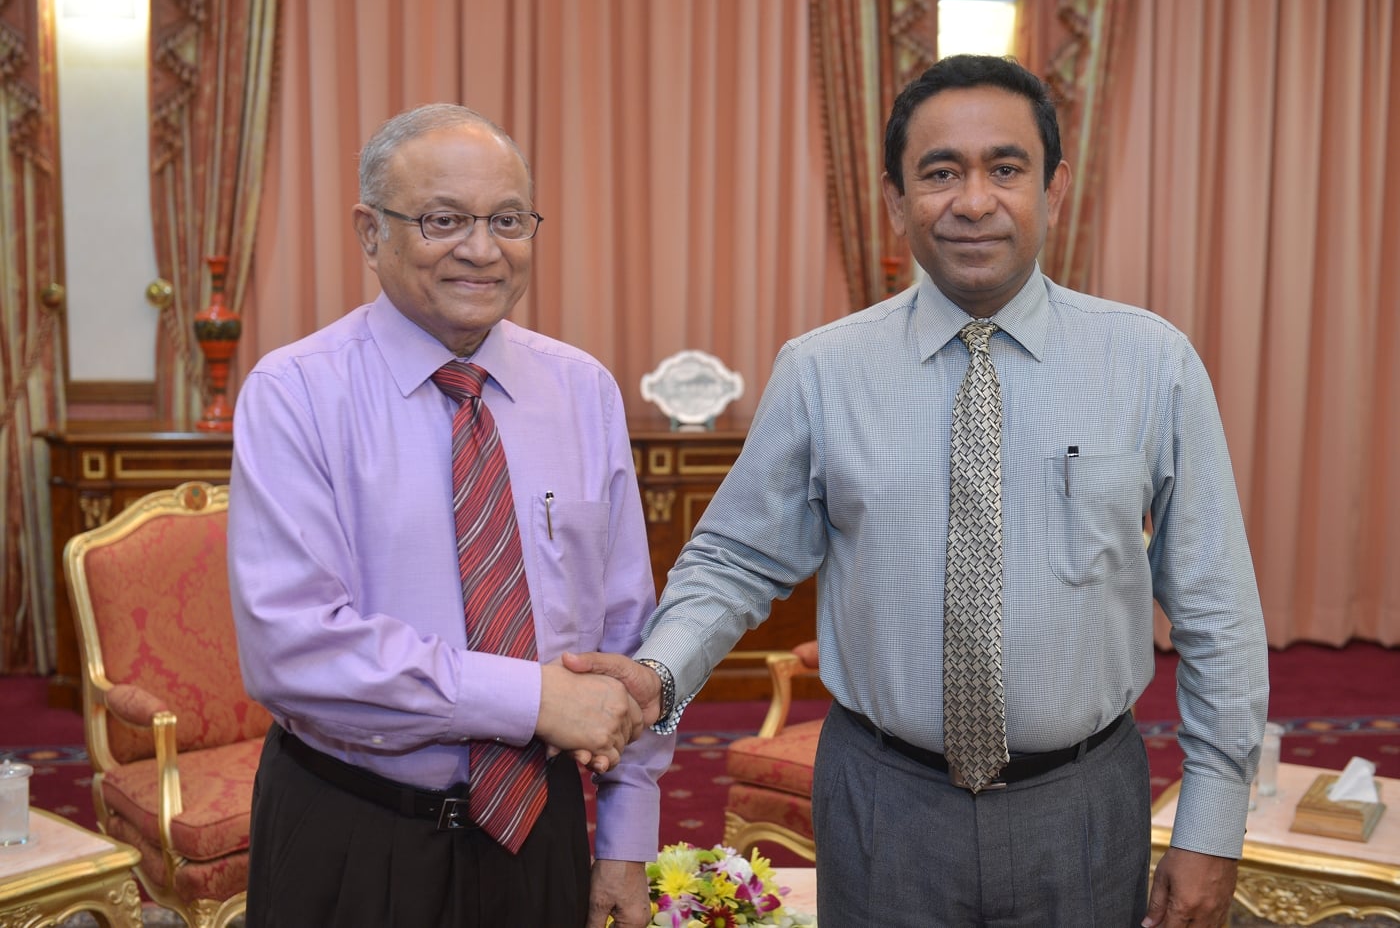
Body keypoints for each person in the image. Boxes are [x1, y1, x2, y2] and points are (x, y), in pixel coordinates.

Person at [569, 54, 1268, 927]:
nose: (973, 202)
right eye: (940, 174)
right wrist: (659, 672)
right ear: (896, 202)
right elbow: (733, 560)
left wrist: (1213, 826)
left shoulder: (1152, 363)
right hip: (883, 807)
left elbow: (1216, 609)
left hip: (1083, 809)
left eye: (1004, 169)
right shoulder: (822, 370)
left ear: (1053, 189)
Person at [227, 103, 673, 927]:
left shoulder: (583, 391)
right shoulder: (295, 393)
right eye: (443, 220)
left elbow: (628, 636)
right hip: (353, 829)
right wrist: (529, 699)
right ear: (370, 233)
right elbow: (292, 646)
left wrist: (626, 833)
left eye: (508, 220)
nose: (482, 249)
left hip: (540, 829)